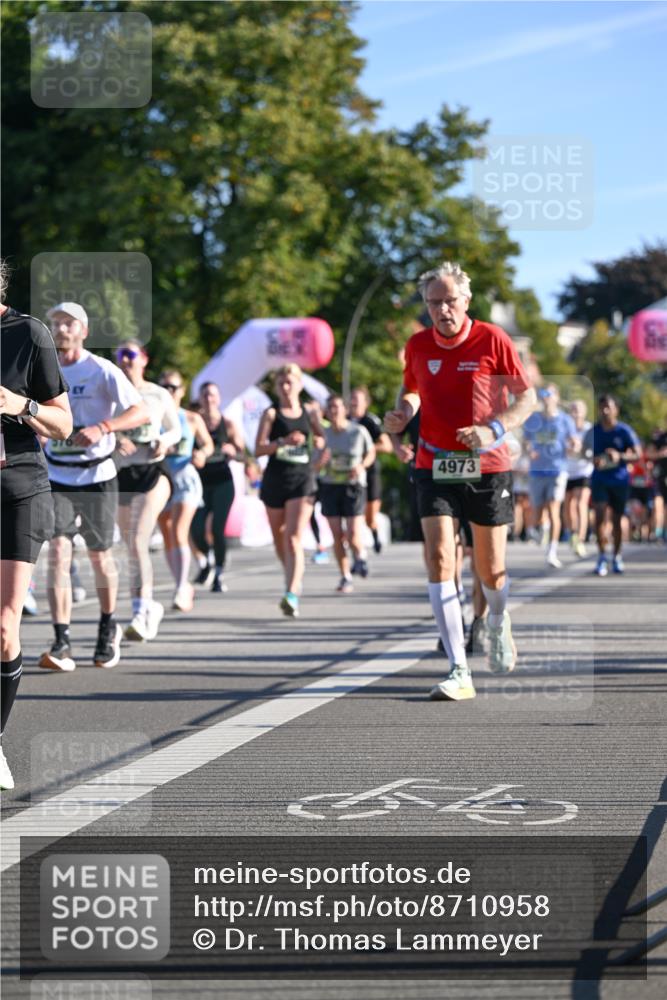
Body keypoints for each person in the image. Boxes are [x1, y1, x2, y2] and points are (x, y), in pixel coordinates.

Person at [384, 261, 536, 701]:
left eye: (450, 301)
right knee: (438, 559)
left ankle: (497, 618)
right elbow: (411, 389)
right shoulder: (415, 345)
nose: (442, 310)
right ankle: (458, 668)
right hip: (434, 463)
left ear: (466, 301)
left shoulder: (492, 339)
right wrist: (404, 413)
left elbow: (526, 397)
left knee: (489, 570)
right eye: (434, 303)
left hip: (486, 465)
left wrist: (494, 430)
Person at [39, 303, 148, 672]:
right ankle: (61, 638)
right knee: (58, 553)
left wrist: (104, 427)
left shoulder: (102, 370)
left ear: (83, 330)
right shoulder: (44, 368)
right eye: (55, 323)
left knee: (100, 556)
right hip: (58, 475)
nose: (61, 329)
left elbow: (141, 411)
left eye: (68, 323)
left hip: (98, 476)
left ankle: (107, 626)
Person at [1, 270, 72, 789]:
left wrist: (21, 406)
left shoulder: (28, 335)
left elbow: (63, 423)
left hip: (18, 490)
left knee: (4, 626)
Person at [114, 341, 181, 639]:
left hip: (153, 471)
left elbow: (176, 429)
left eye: (131, 354)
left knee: (140, 538)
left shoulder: (158, 393)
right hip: (121, 473)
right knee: (131, 544)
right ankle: (149, 606)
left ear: (144, 359)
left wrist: (164, 442)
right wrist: (115, 440)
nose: (125, 360)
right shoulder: (111, 393)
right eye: (120, 355)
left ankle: (140, 612)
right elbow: (94, 426)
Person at [255, 363, 325, 617]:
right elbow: (259, 448)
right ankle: (293, 576)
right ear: (276, 386)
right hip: (275, 478)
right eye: (282, 383)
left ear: (299, 385)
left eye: (290, 382)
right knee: (279, 537)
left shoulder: (310, 411)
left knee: (294, 537)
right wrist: (282, 442)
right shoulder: (271, 414)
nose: (286, 387)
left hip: (302, 480)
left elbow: (322, 438)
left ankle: (291, 592)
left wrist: (319, 445)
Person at [157, 370, 214, 611]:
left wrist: (202, 453)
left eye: (173, 387)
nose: (169, 392)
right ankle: (182, 583)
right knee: (168, 533)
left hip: (185, 478)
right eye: (164, 387)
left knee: (180, 530)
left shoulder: (191, 418)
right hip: (161, 480)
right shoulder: (153, 417)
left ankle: (181, 588)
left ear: (181, 391)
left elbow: (208, 444)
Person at [316, 394, 376, 593]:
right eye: (330, 407)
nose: (333, 411)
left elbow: (371, 452)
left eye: (337, 407)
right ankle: (345, 576)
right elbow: (314, 465)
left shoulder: (358, 431)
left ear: (345, 410)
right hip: (330, 486)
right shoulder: (322, 434)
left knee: (352, 534)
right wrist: (320, 463)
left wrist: (361, 466)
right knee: (336, 535)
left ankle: (361, 557)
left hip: (354, 486)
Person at [190, 382, 244, 593]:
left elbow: (243, 455)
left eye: (212, 395)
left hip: (223, 481)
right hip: (200, 483)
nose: (208, 398)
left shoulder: (228, 424)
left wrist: (233, 450)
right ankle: (209, 557)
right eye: (205, 395)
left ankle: (219, 573)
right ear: (200, 399)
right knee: (196, 529)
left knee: (217, 529)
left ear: (219, 399)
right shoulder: (194, 422)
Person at [583, 394, 641, 576]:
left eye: (608, 407)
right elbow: (583, 452)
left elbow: (638, 454)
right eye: (601, 407)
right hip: (599, 479)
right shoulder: (594, 431)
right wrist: (592, 459)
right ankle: (601, 556)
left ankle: (616, 556)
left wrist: (620, 456)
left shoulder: (624, 431)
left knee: (616, 520)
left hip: (620, 480)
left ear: (616, 409)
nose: (605, 410)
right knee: (599, 516)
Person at [523, 383, 579, 569]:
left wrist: (573, 447)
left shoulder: (565, 420)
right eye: (543, 394)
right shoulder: (533, 420)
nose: (546, 397)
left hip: (557, 469)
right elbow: (526, 443)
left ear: (556, 397)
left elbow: (575, 442)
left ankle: (552, 551)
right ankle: (541, 529)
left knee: (554, 508)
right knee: (538, 511)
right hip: (537, 470)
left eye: (549, 394)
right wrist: (528, 451)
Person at [348, 386, 392, 554]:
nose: (353, 403)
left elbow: (387, 446)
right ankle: (357, 553)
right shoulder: (344, 420)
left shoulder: (370, 421)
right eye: (351, 399)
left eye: (357, 400)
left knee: (370, 518)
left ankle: (374, 534)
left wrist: (366, 447)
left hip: (370, 473)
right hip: (350, 475)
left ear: (365, 403)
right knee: (353, 516)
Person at [564, 399, 593, 558]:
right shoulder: (565, 428)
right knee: (568, 506)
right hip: (567, 471)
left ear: (584, 412)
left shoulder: (589, 429)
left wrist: (580, 447)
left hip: (584, 471)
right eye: (572, 409)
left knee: (581, 503)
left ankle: (581, 539)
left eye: (578, 409)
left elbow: (592, 450)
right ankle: (572, 533)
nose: (575, 412)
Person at [647, 425, 667, 542]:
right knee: (657, 504)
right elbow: (648, 453)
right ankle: (658, 532)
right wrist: (660, 453)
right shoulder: (661, 438)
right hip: (660, 477)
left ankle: (665, 532)